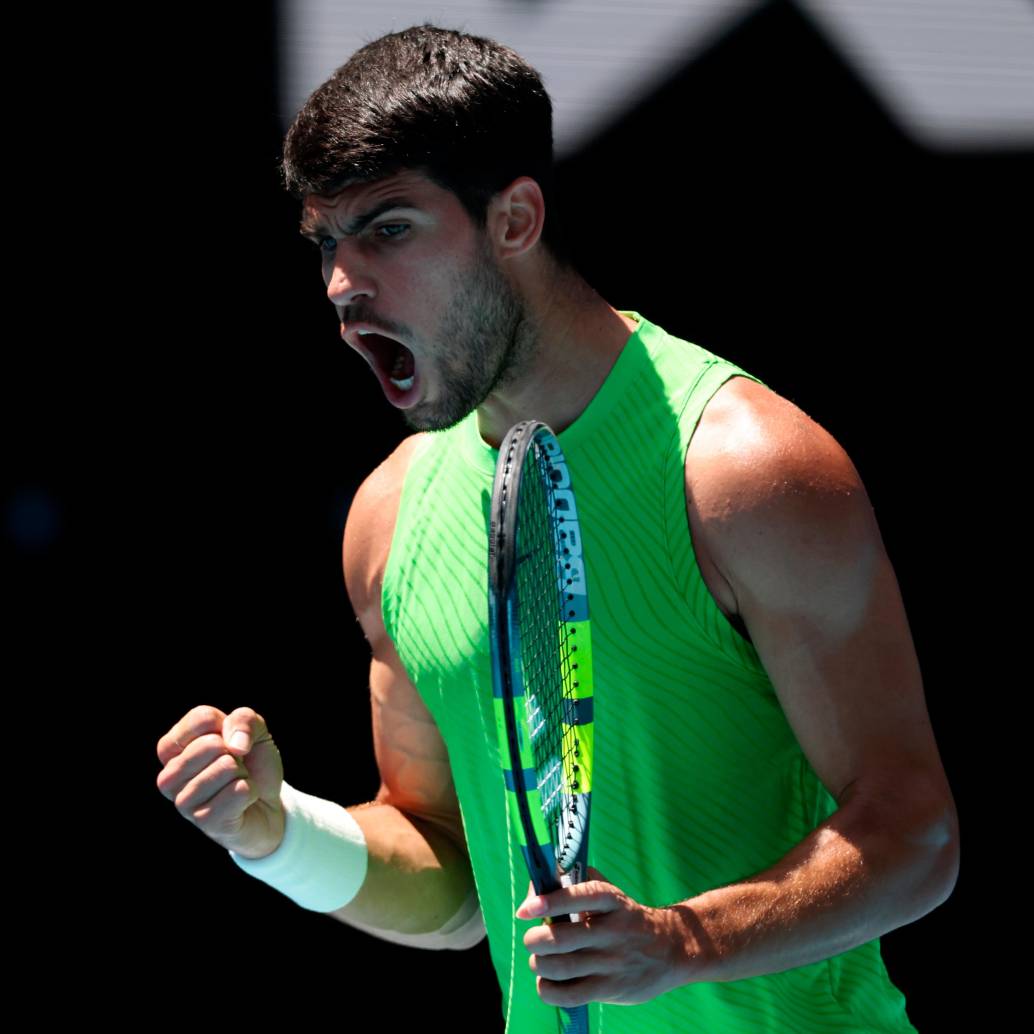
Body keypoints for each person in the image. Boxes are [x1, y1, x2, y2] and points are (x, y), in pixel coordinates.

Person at [155, 23, 959, 1032]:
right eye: (327, 244)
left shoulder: (745, 472)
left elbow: (914, 837)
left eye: (388, 229)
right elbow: (456, 877)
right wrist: (278, 835)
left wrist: (684, 941)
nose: (342, 286)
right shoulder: (388, 518)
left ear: (515, 219)